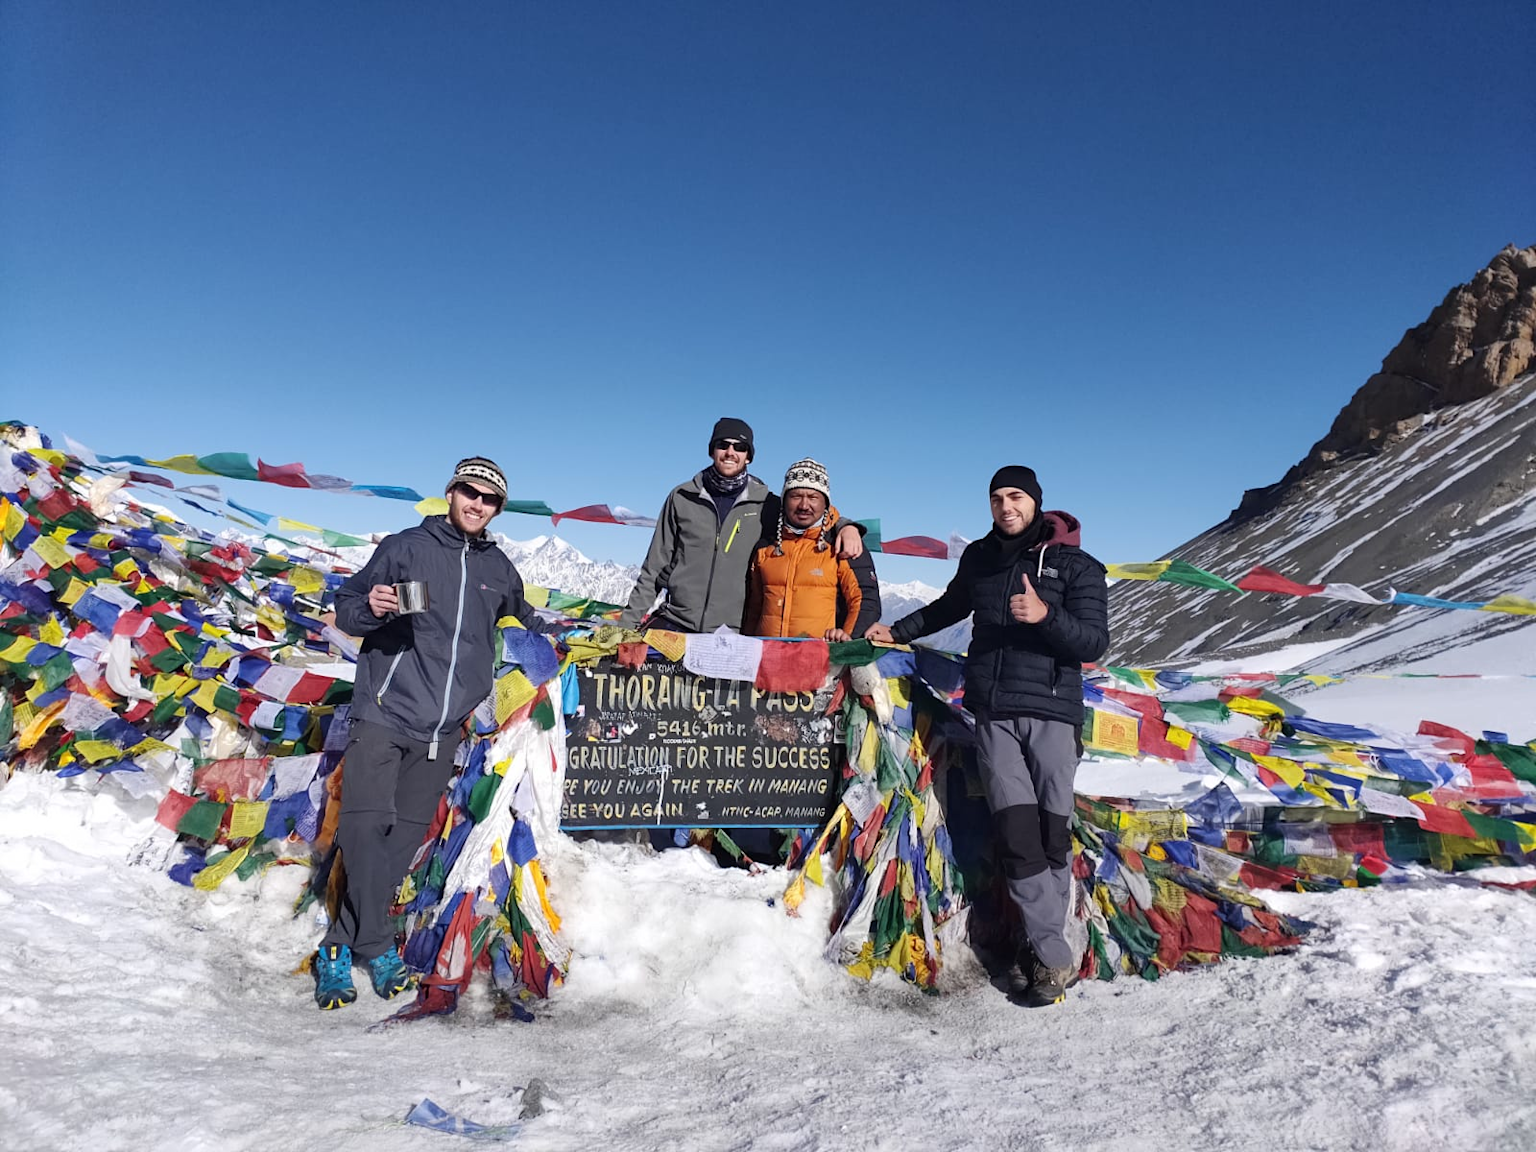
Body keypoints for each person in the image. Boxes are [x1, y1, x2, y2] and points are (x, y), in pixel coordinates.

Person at [865, 465, 1108, 1008]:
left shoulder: (1076, 565)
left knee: (1050, 834)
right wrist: (898, 631)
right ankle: (1052, 956)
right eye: (997, 498)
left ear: (1036, 503)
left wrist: (1045, 616)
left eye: (1016, 497)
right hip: (994, 713)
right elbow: (952, 607)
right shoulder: (980, 558)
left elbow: (1094, 642)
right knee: (1018, 836)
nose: (1005, 506)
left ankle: (1040, 944)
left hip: (1051, 713)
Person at [314, 456, 548, 1010]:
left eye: (489, 499)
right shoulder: (406, 548)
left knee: (401, 841)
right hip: (385, 710)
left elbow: (525, 626)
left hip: (445, 731)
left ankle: (344, 941)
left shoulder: (500, 571)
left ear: (497, 509)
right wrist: (369, 608)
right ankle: (360, 945)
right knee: (364, 832)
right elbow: (347, 609)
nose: (477, 504)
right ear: (451, 493)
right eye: (470, 492)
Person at [618, 418, 865, 634]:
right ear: (712, 450)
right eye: (722, 445)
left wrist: (846, 526)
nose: (730, 452)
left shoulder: (767, 504)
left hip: (732, 632)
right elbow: (654, 567)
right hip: (676, 622)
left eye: (740, 447)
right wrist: (626, 626)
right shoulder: (682, 497)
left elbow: (808, 514)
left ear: (749, 456)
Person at [745, 459, 863, 640]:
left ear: (825, 503)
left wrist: (846, 639)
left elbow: (862, 600)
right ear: (784, 501)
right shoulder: (765, 547)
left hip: (818, 657)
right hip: (768, 655)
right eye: (796, 496)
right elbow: (754, 606)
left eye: (813, 497)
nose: (804, 505)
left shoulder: (842, 544)